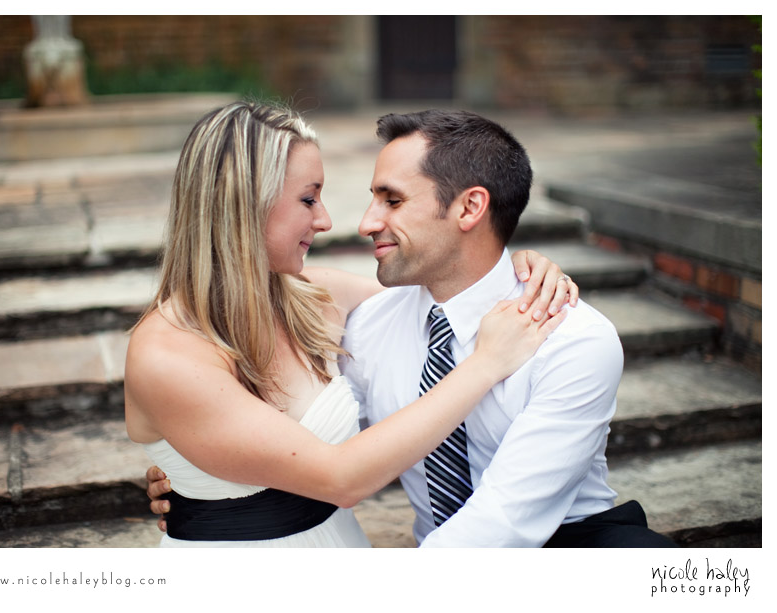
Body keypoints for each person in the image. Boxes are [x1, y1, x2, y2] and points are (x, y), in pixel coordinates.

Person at [149, 107, 677, 548]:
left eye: (393, 200)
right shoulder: (369, 323)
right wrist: (200, 477)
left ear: (470, 207)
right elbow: (317, 445)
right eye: (311, 199)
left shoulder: (571, 338)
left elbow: (505, 523)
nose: (363, 222)